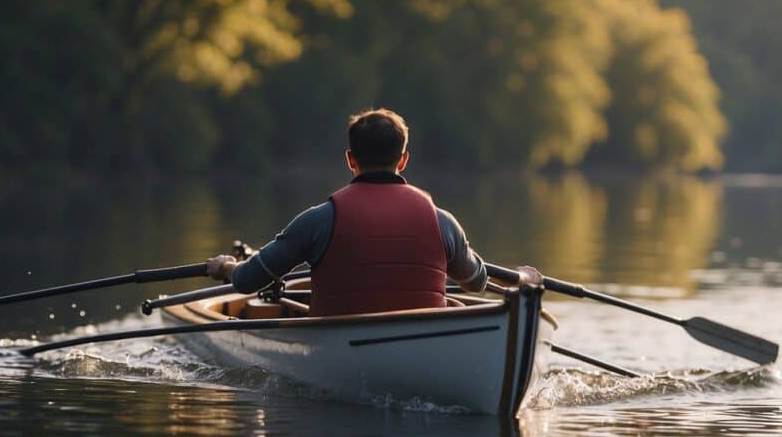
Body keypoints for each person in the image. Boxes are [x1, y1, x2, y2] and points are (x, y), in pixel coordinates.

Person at [206, 107, 541, 316]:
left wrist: (227, 267)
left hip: (339, 341)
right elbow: (477, 283)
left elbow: (249, 281)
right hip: (427, 339)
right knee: (453, 305)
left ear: (351, 160)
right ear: (404, 159)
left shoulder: (318, 220)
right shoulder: (442, 222)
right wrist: (517, 278)